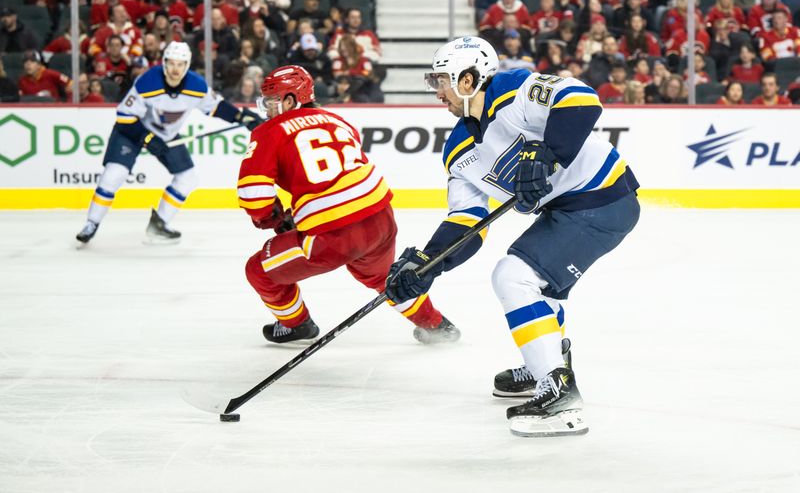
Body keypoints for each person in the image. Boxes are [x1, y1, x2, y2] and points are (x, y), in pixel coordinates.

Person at [384, 37, 639, 437]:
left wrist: (548, 151)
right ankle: (547, 363)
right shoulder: (457, 148)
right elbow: (468, 219)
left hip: (603, 198)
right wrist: (428, 264)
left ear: (468, 79)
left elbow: (582, 99)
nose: (437, 92)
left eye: (442, 81)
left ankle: (559, 396)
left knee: (514, 276)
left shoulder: (514, 89)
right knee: (542, 289)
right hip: (567, 210)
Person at [239, 65, 459, 344]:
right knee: (383, 278)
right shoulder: (337, 120)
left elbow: (253, 195)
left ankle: (297, 325)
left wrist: (274, 221)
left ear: (290, 100)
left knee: (259, 271)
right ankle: (437, 326)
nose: (268, 110)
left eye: (272, 102)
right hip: (380, 218)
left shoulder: (269, 131)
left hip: (333, 235)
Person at [75, 41, 262, 245]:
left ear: (187, 64)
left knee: (187, 178)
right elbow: (124, 117)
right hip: (131, 132)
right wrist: (147, 139)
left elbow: (216, 107)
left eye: (180, 64)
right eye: (171, 63)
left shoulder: (196, 85)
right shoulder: (147, 82)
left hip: (165, 135)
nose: (175, 69)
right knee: (114, 174)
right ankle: (91, 223)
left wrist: (241, 117)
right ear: (164, 63)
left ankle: (159, 223)